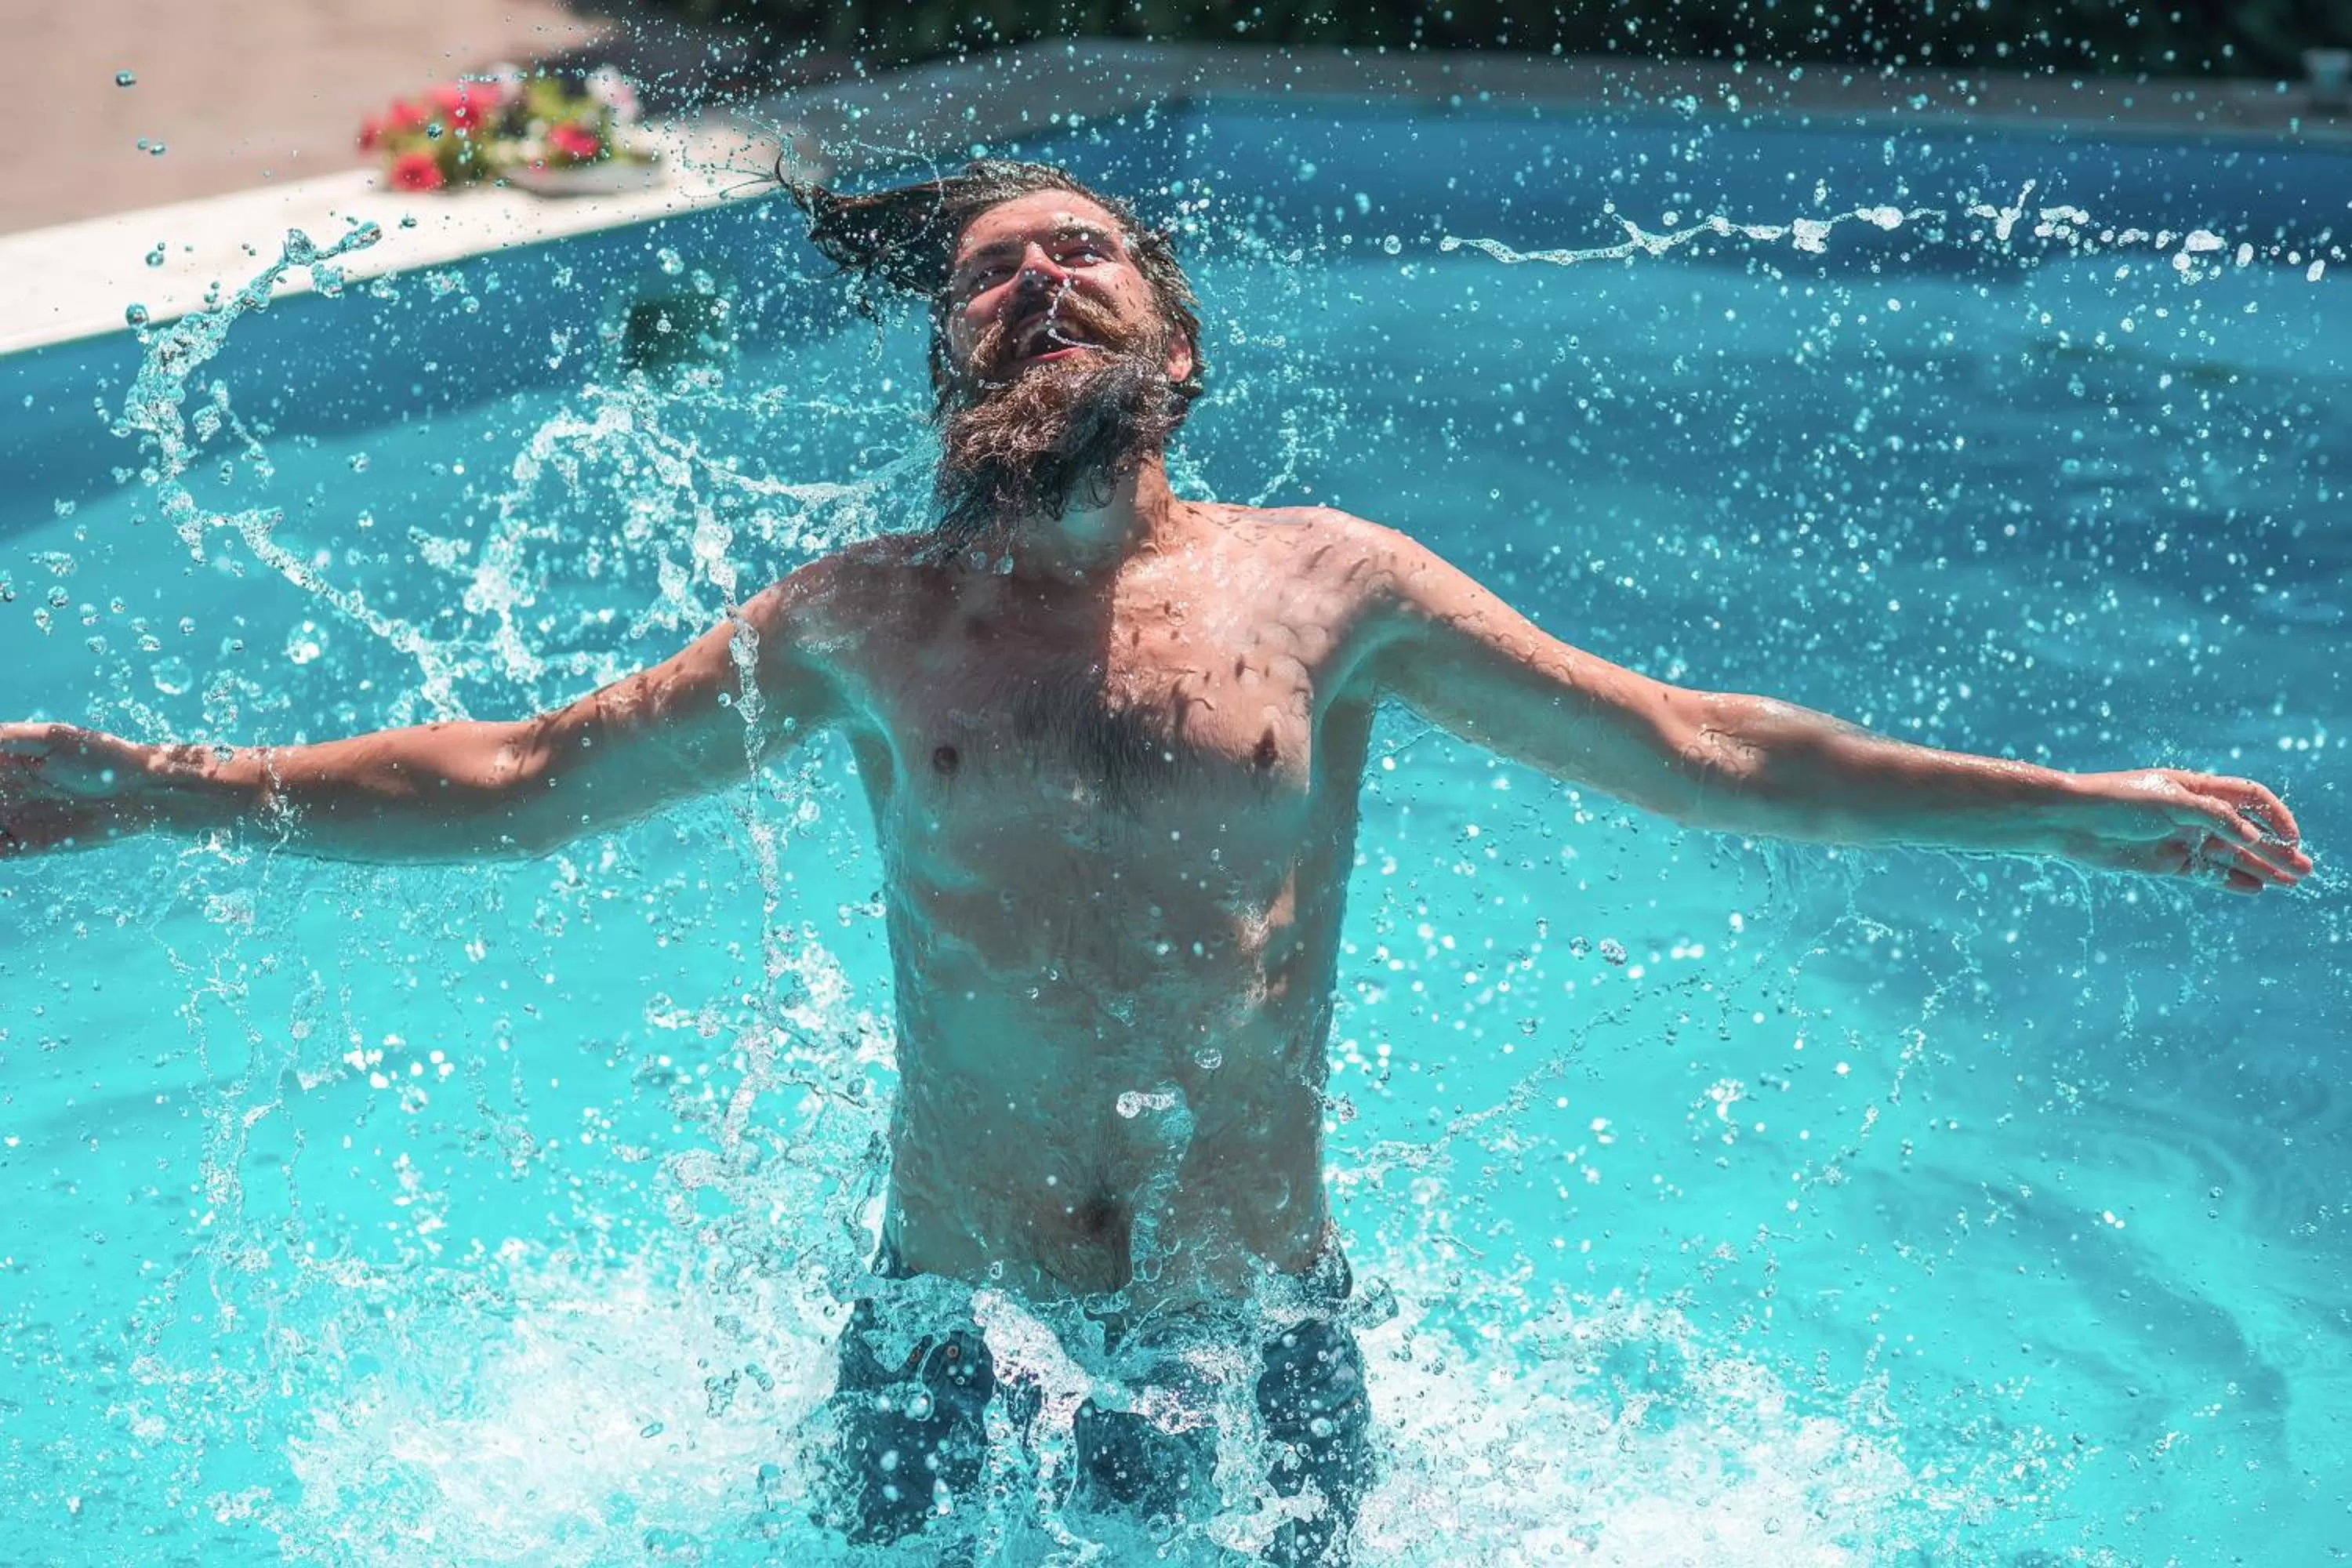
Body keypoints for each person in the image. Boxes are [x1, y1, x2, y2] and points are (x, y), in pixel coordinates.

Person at [0, 161, 2310, 1563]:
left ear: (1175, 345)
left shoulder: (1334, 590)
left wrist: (2086, 816)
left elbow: (1707, 751)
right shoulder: (858, 625)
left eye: (1082, 255)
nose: (1032, 285)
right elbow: (518, 778)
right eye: (988, 276)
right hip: (938, 1338)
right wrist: (148, 781)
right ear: (941, 371)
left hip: (1259, 1337)